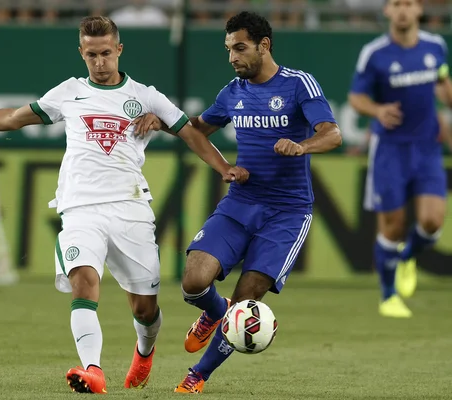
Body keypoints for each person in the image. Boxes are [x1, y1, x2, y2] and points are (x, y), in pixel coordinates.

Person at [0, 16, 248, 394]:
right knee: (83, 284)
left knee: (144, 311)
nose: (99, 62)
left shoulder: (146, 97)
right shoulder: (68, 92)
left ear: (118, 50)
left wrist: (224, 167)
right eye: (91, 55)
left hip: (130, 210)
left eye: (105, 53)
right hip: (80, 208)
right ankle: (93, 370)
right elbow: (14, 117)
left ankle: (144, 352)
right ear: (81, 54)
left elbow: (190, 133)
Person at [134, 11, 341, 393]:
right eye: (229, 49)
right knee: (194, 281)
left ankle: (198, 375)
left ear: (264, 46)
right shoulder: (233, 92)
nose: (232, 57)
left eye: (240, 48)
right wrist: (161, 122)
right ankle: (214, 311)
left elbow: (331, 133)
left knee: (247, 302)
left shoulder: (298, 84)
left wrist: (302, 146)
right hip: (241, 201)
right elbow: (198, 129)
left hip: (288, 212)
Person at [348, 0, 451, 318]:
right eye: (397, 4)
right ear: (387, 11)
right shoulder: (375, 53)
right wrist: (377, 110)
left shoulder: (436, 46)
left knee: (433, 221)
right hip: (390, 148)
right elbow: (356, 98)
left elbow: (443, 81)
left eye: (409, 3)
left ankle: (408, 257)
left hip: (427, 147)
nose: (403, 10)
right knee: (392, 225)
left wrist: (446, 92)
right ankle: (388, 294)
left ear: (419, 10)